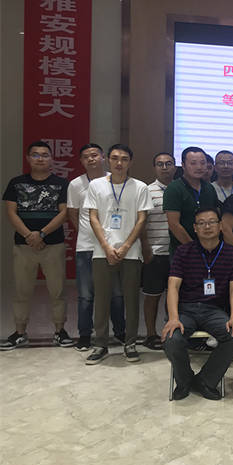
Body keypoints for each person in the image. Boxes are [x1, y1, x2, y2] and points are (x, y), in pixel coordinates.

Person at [162, 207, 233, 400]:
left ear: (220, 226)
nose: (207, 227)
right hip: (186, 309)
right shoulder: (183, 252)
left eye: (212, 222)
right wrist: (173, 318)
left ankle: (206, 380)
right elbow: (173, 287)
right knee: (171, 338)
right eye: (202, 223)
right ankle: (184, 381)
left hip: (214, 310)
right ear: (195, 228)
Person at [84, 144, 153, 364]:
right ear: (107, 160)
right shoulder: (96, 185)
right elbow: (93, 217)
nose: (119, 163)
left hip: (131, 252)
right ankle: (100, 344)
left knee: (131, 299)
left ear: (131, 162)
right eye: (114, 158)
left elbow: (142, 219)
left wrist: (125, 246)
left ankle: (130, 343)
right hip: (102, 251)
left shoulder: (140, 187)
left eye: (124, 159)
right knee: (101, 299)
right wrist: (106, 246)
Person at [1, 141, 72, 350]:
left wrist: (41, 234)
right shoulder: (16, 183)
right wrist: (29, 236)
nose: (40, 158)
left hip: (53, 244)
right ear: (28, 158)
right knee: (21, 290)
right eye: (35, 155)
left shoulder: (62, 183)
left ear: (51, 159)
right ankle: (19, 332)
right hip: (23, 246)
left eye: (44, 155)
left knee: (57, 290)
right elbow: (11, 212)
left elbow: (64, 213)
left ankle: (60, 331)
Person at [68, 144, 125, 351]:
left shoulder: (115, 179)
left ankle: (120, 332)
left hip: (112, 245)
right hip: (86, 246)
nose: (91, 159)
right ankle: (85, 335)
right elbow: (73, 213)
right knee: (86, 294)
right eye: (86, 157)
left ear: (103, 158)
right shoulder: (76, 184)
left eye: (94, 155)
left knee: (116, 293)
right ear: (81, 161)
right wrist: (90, 232)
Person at [139, 151, 176, 351]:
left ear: (175, 167)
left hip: (176, 253)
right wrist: (146, 249)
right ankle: (151, 334)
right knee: (152, 295)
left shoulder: (180, 189)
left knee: (175, 295)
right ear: (154, 168)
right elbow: (141, 222)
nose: (164, 168)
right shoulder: (147, 190)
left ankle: (171, 333)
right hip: (155, 253)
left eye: (168, 164)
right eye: (160, 164)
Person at [163, 146, 218, 254]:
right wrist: (194, 248)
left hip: (209, 248)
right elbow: (174, 224)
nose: (199, 167)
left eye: (202, 163)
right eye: (193, 163)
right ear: (183, 165)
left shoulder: (209, 188)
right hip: (182, 250)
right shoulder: (174, 188)